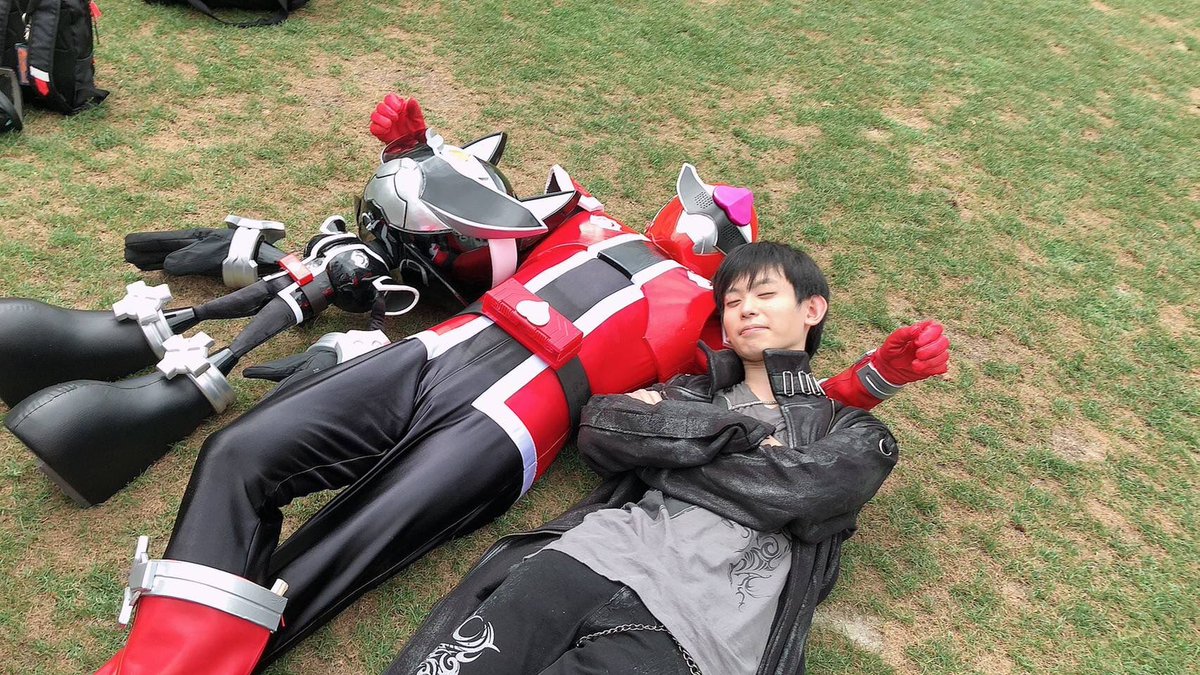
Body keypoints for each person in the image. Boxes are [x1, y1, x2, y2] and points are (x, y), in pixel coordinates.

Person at [387, 241, 948, 675]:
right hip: (590, 558)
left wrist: (669, 451)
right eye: (732, 302)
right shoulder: (687, 391)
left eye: (764, 295)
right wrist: (740, 434)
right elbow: (601, 428)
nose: (745, 310)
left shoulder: (855, 431)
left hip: (700, 630)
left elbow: (805, 494)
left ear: (812, 309)